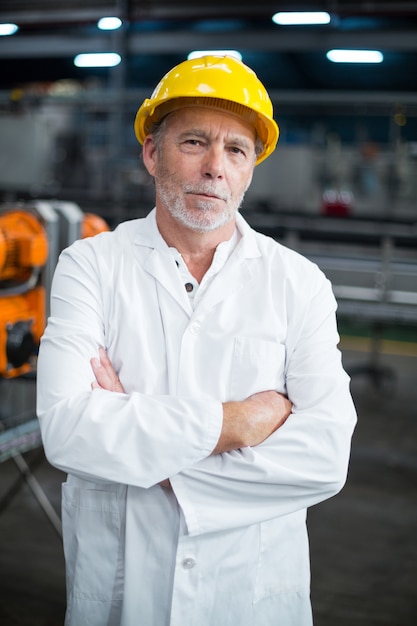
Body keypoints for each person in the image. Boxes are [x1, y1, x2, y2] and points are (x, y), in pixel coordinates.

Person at [36, 55, 357, 626]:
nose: (215, 167)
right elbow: (66, 429)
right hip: (120, 593)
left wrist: (148, 453)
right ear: (151, 153)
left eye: (236, 150)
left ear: (250, 168)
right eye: (194, 142)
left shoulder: (298, 283)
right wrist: (236, 425)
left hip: (251, 598)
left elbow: (326, 458)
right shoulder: (91, 265)